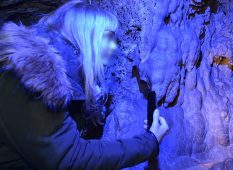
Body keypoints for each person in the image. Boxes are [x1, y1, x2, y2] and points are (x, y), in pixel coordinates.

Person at [0, 0, 169, 169]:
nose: (114, 47)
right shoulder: (33, 75)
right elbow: (69, 158)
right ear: (86, 36)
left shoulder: (65, 78)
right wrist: (149, 142)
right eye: (109, 37)